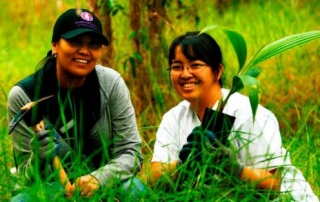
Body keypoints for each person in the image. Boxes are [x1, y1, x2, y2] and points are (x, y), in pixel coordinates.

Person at [149, 31, 319, 201]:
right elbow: (155, 179)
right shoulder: (173, 118)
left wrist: (234, 169)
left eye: (195, 65)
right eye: (177, 67)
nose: (185, 74)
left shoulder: (247, 113)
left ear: (218, 71)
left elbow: (274, 186)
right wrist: (183, 165)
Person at [7, 8, 147, 201]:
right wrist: (37, 159)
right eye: (75, 41)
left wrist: (99, 179)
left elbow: (131, 152)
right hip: (53, 189)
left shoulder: (111, 83)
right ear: (55, 45)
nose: (85, 51)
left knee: (136, 191)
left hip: (105, 183)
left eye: (93, 44)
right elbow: (24, 179)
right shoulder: (25, 95)